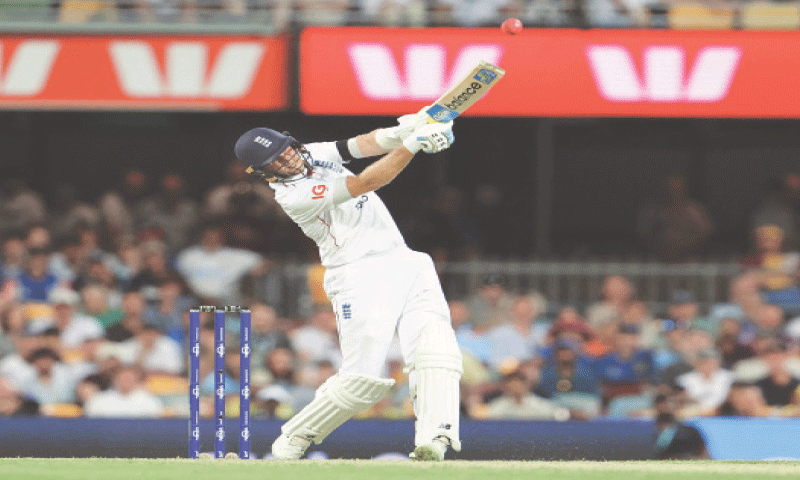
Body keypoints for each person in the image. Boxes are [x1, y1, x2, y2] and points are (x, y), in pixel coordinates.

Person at [233, 112, 459, 461]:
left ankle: (435, 439)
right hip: (358, 273)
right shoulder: (294, 195)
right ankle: (293, 439)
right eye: (274, 161)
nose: (287, 159)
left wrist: (406, 130)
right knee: (362, 381)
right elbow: (366, 182)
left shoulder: (312, 151)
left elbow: (366, 144)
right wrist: (413, 145)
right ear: (265, 173)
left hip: (405, 260)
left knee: (436, 350)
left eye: (285, 150)